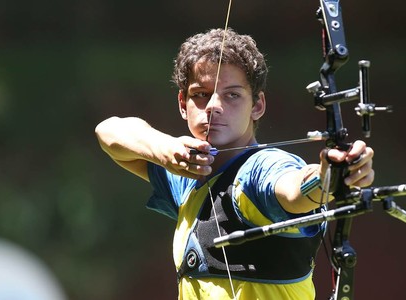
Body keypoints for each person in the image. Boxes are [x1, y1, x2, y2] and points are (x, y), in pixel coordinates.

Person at [95, 28, 375, 300]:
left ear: (257, 105)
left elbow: (292, 190)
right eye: (201, 93)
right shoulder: (185, 174)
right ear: (183, 103)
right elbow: (108, 132)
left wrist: (328, 176)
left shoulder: (261, 168)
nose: (213, 105)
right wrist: (163, 149)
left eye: (232, 95)